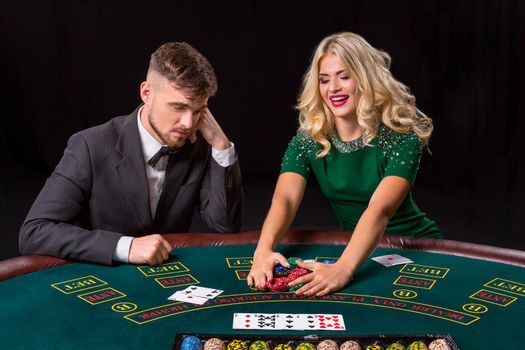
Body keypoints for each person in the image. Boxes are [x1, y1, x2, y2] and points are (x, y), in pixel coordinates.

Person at [247, 32, 440, 297]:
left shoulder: (401, 137)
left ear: (365, 79)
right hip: (356, 250)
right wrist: (263, 249)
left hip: (413, 248)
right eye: (324, 80)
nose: (333, 88)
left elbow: (380, 209)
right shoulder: (309, 140)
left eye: (344, 76)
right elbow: (285, 200)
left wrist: (344, 268)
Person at [19, 42, 243, 266]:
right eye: (178, 107)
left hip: (168, 282)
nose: (188, 123)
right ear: (146, 93)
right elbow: (34, 232)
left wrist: (221, 145)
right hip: (99, 281)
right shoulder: (89, 146)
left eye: (198, 111)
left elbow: (225, 226)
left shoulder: (201, 147)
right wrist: (124, 247)